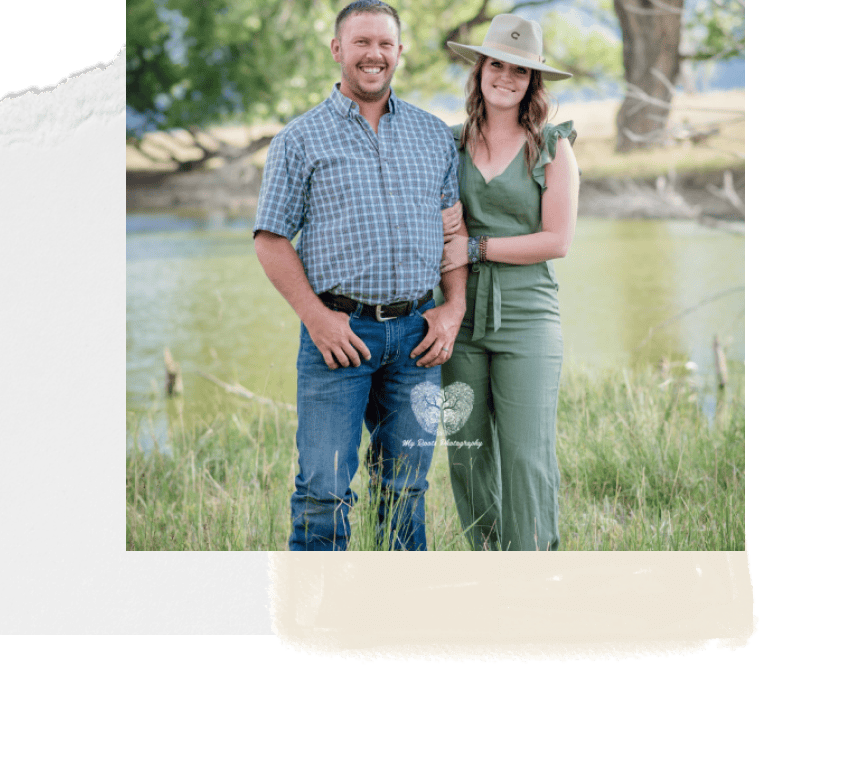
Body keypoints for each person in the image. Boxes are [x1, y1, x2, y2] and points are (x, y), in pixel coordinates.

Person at [254, 0, 468, 551]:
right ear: (337, 50)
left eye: (385, 44)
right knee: (323, 490)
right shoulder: (299, 140)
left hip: (416, 338)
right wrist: (316, 319)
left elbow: (452, 233)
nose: (374, 54)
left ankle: (397, 620)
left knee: (405, 489)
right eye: (361, 43)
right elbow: (271, 240)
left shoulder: (432, 136)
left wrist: (454, 306)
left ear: (399, 52)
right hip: (338, 338)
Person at [440, 14, 579, 550]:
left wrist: (475, 246)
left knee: (527, 453)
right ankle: (490, 567)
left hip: (527, 316)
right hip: (458, 313)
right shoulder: (446, 146)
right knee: (467, 450)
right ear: (479, 70)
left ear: (532, 82)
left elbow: (557, 240)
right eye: (496, 64)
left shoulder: (551, 147)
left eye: (519, 70)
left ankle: (536, 571)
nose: (506, 76)